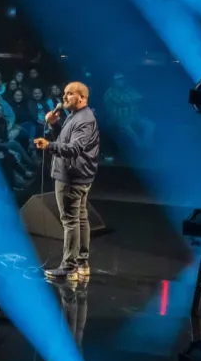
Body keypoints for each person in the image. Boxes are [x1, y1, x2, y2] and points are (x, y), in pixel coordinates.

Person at [34, 81, 101, 281]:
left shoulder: (84, 120)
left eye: (69, 94)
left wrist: (49, 146)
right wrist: (55, 125)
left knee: (70, 221)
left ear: (82, 98)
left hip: (72, 177)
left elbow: (73, 149)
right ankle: (81, 262)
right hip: (77, 175)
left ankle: (69, 267)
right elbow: (66, 142)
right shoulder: (76, 116)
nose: (64, 97)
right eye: (64, 93)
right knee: (80, 219)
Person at [102, 72, 154, 149]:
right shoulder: (110, 91)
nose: (121, 81)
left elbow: (139, 97)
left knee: (151, 124)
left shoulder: (130, 88)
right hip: (119, 119)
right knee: (129, 129)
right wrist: (134, 98)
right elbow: (123, 100)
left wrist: (134, 98)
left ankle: (148, 145)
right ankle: (140, 146)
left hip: (135, 117)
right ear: (114, 81)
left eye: (122, 79)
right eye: (118, 80)